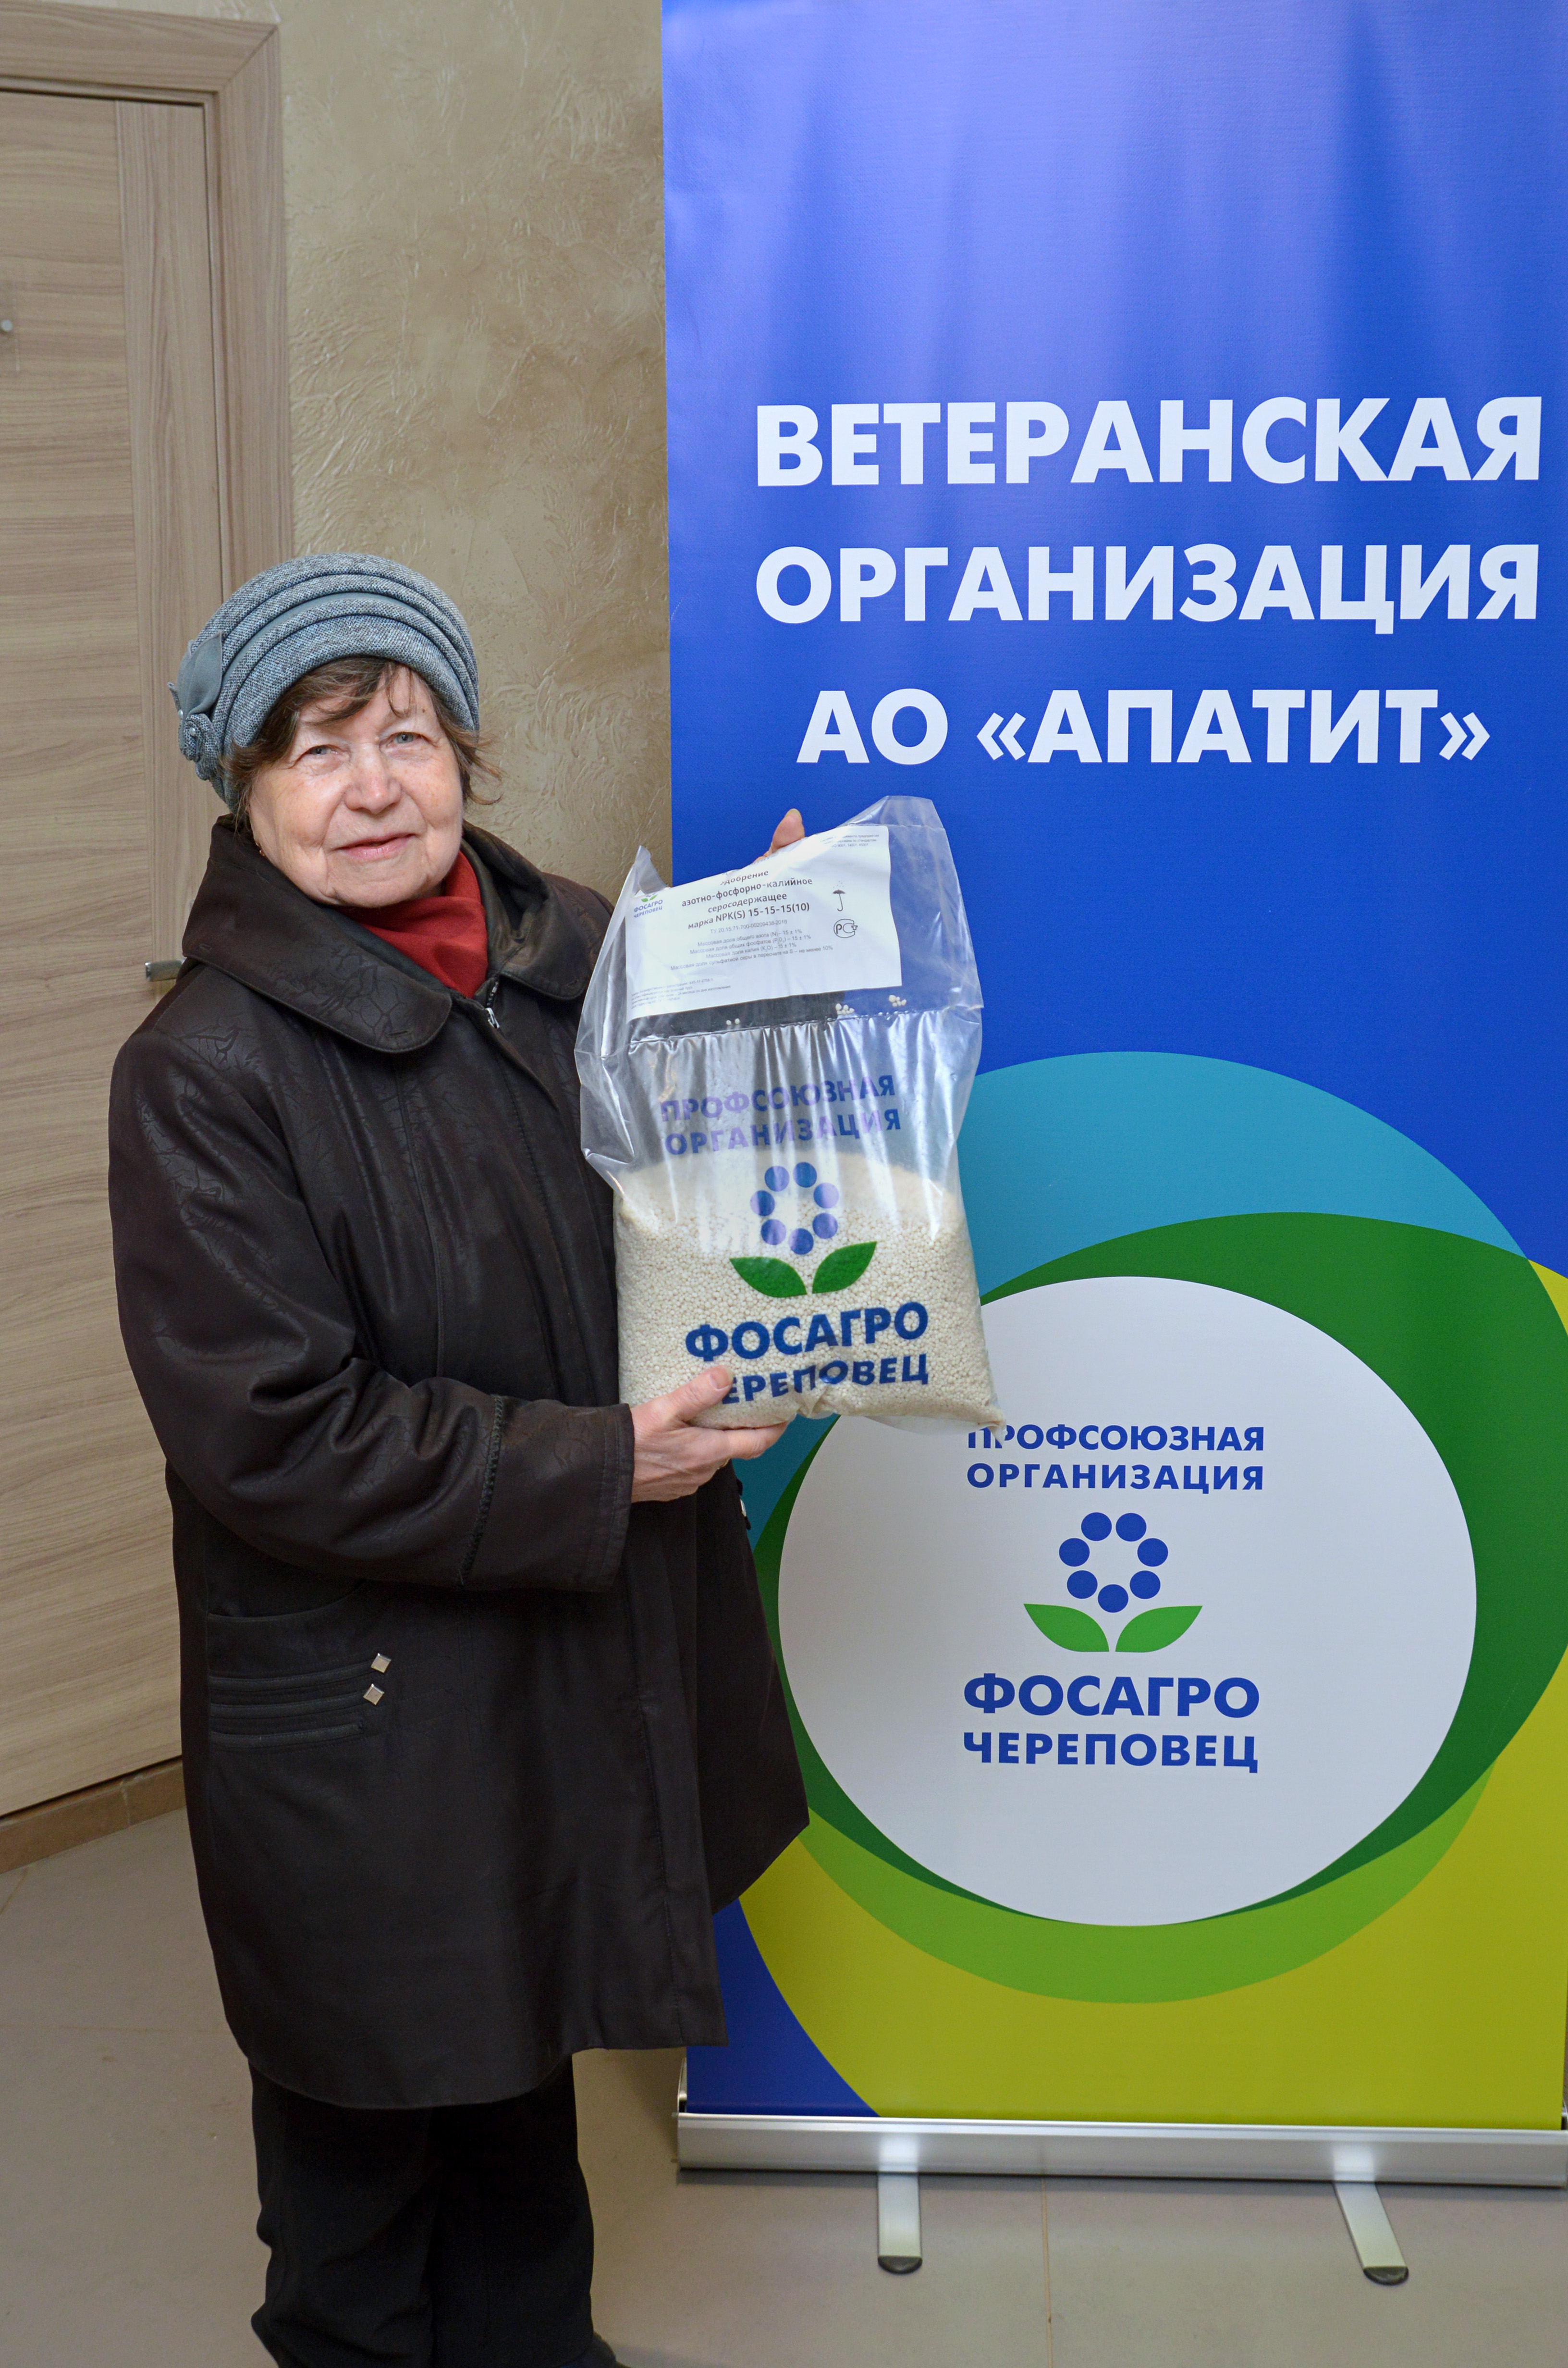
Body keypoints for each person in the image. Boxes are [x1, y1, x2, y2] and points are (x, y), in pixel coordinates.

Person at [108, 554, 809, 2368]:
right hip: (362, 1690)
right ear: (245, 790)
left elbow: (707, 1190)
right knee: (365, 2120)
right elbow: (276, 1431)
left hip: (554, 1646)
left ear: (467, 758)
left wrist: (777, 971)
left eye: (408, 736)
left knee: (515, 2077)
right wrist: (600, 1468)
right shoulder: (202, 1067)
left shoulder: (572, 947)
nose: (372, 788)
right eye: (318, 749)